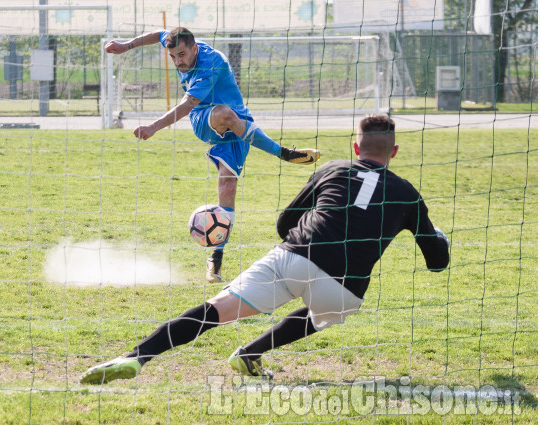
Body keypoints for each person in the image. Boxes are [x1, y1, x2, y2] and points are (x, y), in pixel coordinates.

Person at [80, 115, 451, 384]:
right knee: (328, 310)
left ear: (356, 147)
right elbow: (437, 264)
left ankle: (136, 357)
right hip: (342, 288)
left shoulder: (332, 170)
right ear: (396, 151)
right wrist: (437, 238)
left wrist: (301, 245)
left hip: (293, 256)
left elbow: (285, 222)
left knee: (214, 311)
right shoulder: (409, 195)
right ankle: (250, 354)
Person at [104, 27, 321, 283]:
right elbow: (160, 35)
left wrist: (153, 127)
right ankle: (284, 153)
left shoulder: (211, 63)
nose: (178, 62)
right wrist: (126, 46)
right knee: (223, 114)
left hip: (238, 125)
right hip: (203, 118)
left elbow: (184, 104)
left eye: (182, 55)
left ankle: (215, 259)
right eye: (173, 56)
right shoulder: (180, 47)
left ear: (195, 48)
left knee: (228, 187)